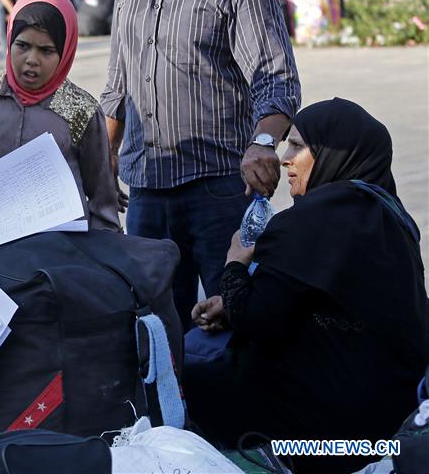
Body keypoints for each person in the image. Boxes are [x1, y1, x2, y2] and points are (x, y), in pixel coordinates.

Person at [100, 0, 301, 330]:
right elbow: (117, 78)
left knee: (228, 324)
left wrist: (264, 143)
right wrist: (104, 155)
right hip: (146, 190)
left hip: (217, 192)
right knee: (153, 329)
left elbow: (277, 80)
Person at [183, 98, 429, 474]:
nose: (285, 158)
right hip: (394, 420)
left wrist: (235, 262)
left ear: (331, 153)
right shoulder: (390, 216)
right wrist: (229, 305)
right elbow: (326, 306)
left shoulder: (308, 224)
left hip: (323, 433)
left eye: (297, 145)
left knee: (188, 380)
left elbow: (258, 322)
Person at [0, 0, 121, 232]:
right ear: (9, 41)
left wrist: (100, 258)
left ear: (66, 51)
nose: (31, 59)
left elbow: (102, 202)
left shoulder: (81, 111)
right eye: (22, 45)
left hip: (61, 252)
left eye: (46, 50)